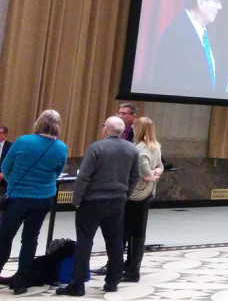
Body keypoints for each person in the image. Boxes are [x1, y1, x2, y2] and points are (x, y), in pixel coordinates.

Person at [57, 117, 140, 296]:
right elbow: (135, 176)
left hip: (92, 201)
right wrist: (125, 194)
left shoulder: (97, 147)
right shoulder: (131, 149)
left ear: (106, 129)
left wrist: (76, 199)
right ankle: (112, 281)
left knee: (85, 241)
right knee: (115, 242)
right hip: (117, 201)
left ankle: (77, 284)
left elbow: (84, 176)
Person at [0, 111, 68, 294]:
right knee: (30, 239)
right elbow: (57, 172)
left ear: (39, 122)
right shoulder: (61, 147)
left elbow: (5, 168)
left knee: (4, 238)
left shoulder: (23, 141)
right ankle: (21, 282)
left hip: (17, 198)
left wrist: (14, 183)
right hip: (43, 198)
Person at [151, 0, 221, 91]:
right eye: (216, 1)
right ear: (201, 2)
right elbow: (166, 83)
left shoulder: (205, 33)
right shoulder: (175, 36)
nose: (220, 7)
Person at [122, 117, 163, 282]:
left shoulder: (139, 149)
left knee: (129, 231)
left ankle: (132, 270)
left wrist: (150, 175)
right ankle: (132, 265)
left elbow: (145, 174)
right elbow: (160, 167)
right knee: (138, 231)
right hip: (147, 193)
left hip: (134, 195)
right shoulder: (156, 147)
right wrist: (156, 174)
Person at [0, 126, 11, 196]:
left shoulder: (11, 146)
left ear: (6, 134)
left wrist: (3, 174)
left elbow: (12, 163)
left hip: (5, 176)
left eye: (1, 133)